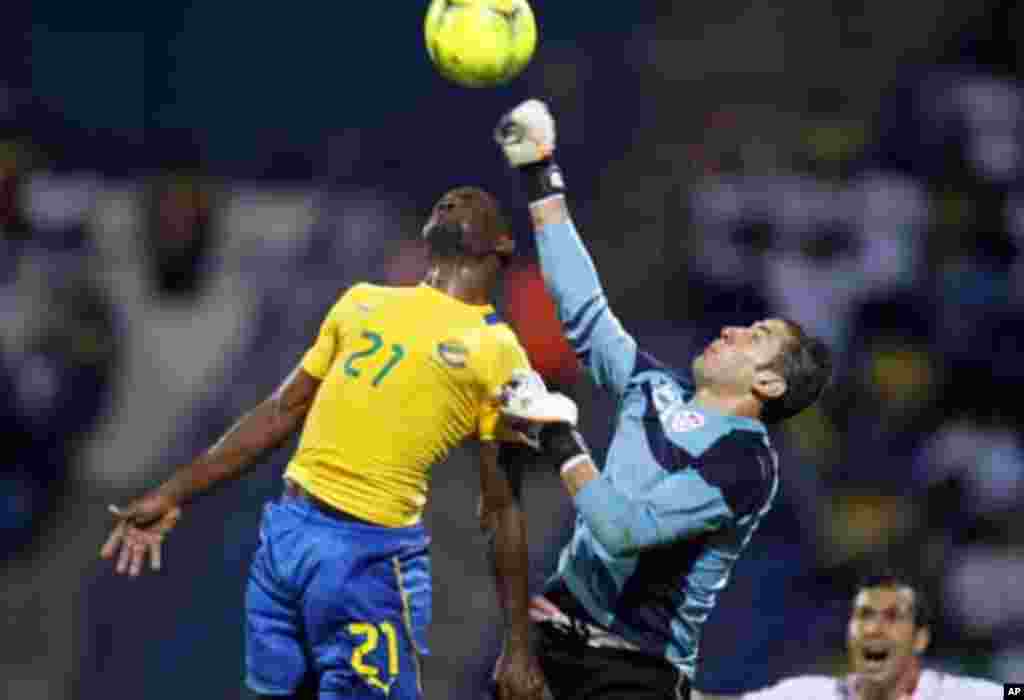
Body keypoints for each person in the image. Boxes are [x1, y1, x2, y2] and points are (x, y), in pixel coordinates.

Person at [99, 186, 546, 700]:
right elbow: (280, 410)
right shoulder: (361, 303)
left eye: (475, 203)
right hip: (293, 536)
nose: (455, 199)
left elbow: (501, 506)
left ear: (501, 247)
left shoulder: (498, 350)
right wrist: (176, 490)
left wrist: (517, 644)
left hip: (373, 555)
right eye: (445, 199)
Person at [493, 100, 833, 700]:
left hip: (633, 673)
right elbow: (584, 310)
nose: (731, 331)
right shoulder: (655, 386)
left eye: (755, 338)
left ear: (770, 385)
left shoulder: (746, 467)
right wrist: (540, 175)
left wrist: (559, 436)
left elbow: (622, 531)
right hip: (549, 636)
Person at [693, 570, 1005, 699]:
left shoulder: (953, 693)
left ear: (920, 639)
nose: (874, 628)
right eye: (864, 615)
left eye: (893, 617)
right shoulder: (809, 694)